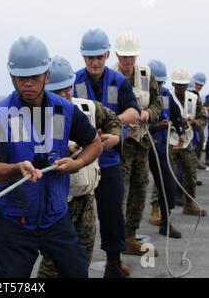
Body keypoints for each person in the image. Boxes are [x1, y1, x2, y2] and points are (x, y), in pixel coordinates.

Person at [0, 36, 103, 278]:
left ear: (46, 76)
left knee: (78, 272)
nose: (28, 84)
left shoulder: (65, 110)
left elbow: (95, 143)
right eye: (21, 78)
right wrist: (18, 168)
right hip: (13, 222)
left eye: (34, 77)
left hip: (55, 218)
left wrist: (77, 163)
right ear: (12, 77)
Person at [37, 56, 122, 278]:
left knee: (83, 257)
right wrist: (71, 148)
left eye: (68, 89)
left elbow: (112, 119)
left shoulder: (87, 108)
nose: (65, 95)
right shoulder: (37, 119)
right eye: (58, 91)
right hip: (57, 203)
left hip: (86, 198)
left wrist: (113, 138)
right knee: (53, 263)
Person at [73, 28, 140, 276]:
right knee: (78, 215)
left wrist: (112, 122)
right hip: (81, 160)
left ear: (107, 54)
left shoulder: (119, 82)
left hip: (109, 160)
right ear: (83, 57)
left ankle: (113, 262)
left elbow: (133, 111)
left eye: (100, 56)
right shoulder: (72, 81)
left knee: (112, 213)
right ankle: (76, 264)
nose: (95, 61)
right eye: (90, 57)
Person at [112, 31, 162, 256]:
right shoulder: (109, 77)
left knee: (140, 189)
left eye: (131, 56)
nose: (128, 61)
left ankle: (130, 237)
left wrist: (147, 114)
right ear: (116, 55)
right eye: (124, 57)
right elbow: (101, 108)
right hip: (120, 144)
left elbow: (158, 104)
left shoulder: (146, 74)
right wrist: (122, 122)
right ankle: (116, 241)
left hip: (142, 143)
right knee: (118, 192)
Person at [146, 60, 184, 238]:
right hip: (140, 148)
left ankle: (166, 224)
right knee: (132, 191)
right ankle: (127, 234)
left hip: (160, 149)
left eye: (161, 82)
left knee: (167, 184)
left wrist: (181, 132)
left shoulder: (166, 95)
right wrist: (156, 127)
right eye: (156, 82)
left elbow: (176, 115)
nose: (158, 85)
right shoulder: (140, 96)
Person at [169, 68, 207, 217]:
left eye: (183, 85)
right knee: (165, 175)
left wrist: (193, 123)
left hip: (187, 142)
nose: (180, 88)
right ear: (173, 83)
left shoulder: (194, 98)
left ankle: (189, 204)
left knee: (191, 174)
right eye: (178, 85)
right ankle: (156, 208)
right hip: (170, 142)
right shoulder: (167, 97)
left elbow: (203, 118)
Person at [188, 72, 207, 170]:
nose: (198, 86)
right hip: (186, 126)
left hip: (195, 125)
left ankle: (195, 164)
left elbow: (202, 115)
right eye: (197, 84)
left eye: (201, 85)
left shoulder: (197, 96)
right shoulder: (189, 93)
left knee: (199, 143)